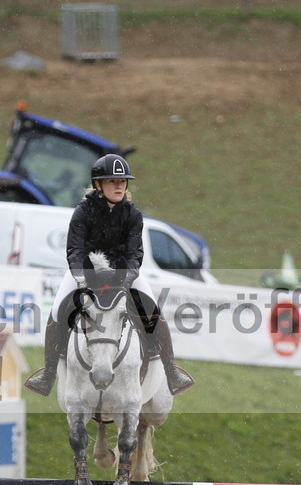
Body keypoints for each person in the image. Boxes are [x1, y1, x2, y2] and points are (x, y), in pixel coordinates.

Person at [24, 154, 194, 397]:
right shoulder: (83, 212)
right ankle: (48, 373)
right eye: (112, 181)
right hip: (86, 272)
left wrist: (126, 279)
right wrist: (81, 278)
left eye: (122, 181)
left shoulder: (133, 214)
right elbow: (74, 249)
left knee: (153, 309)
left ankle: (171, 371)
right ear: (98, 185)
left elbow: (136, 253)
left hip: (123, 273)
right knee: (57, 310)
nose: (119, 186)